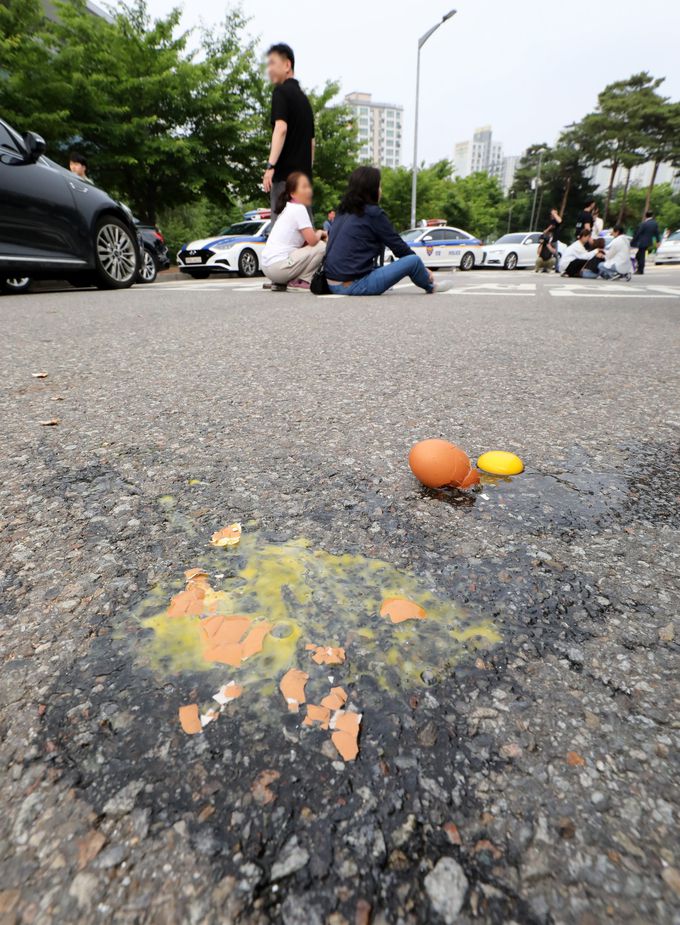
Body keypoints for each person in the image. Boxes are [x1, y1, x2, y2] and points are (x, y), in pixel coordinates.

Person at [324, 166, 452, 296]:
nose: (380, 191)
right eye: (379, 186)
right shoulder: (373, 213)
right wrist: (423, 270)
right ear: (371, 190)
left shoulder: (342, 212)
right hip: (352, 285)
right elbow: (398, 247)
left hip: (329, 282)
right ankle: (431, 286)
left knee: (380, 268)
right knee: (413, 261)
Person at [262, 43, 315, 223]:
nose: (269, 69)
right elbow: (311, 143)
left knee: (281, 237)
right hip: (304, 182)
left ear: (287, 65)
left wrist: (270, 166)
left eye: (272, 63)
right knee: (306, 237)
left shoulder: (281, 92)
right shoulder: (304, 100)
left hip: (285, 180)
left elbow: (281, 128)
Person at [261, 172, 326, 291]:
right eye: (304, 187)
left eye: (309, 187)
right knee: (321, 247)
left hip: (268, 268)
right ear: (293, 193)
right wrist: (321, 233)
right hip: (278, 268)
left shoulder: (287, 209)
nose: (308, 190)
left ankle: (283, 281)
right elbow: (312, 241)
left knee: (311, 248)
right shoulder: (298, 209)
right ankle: (302, 280)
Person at [631, 211, 661, 275]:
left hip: (641, 242)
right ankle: (640, 268)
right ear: (652, 216)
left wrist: (633, 241)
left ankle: (640, 270)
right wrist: (658, 241)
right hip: (648, 242)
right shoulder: (654, 223)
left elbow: (638, 233)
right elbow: (657, 233)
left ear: (645, 216)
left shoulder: (644, 224)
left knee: (641, 256)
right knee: (639, 255)